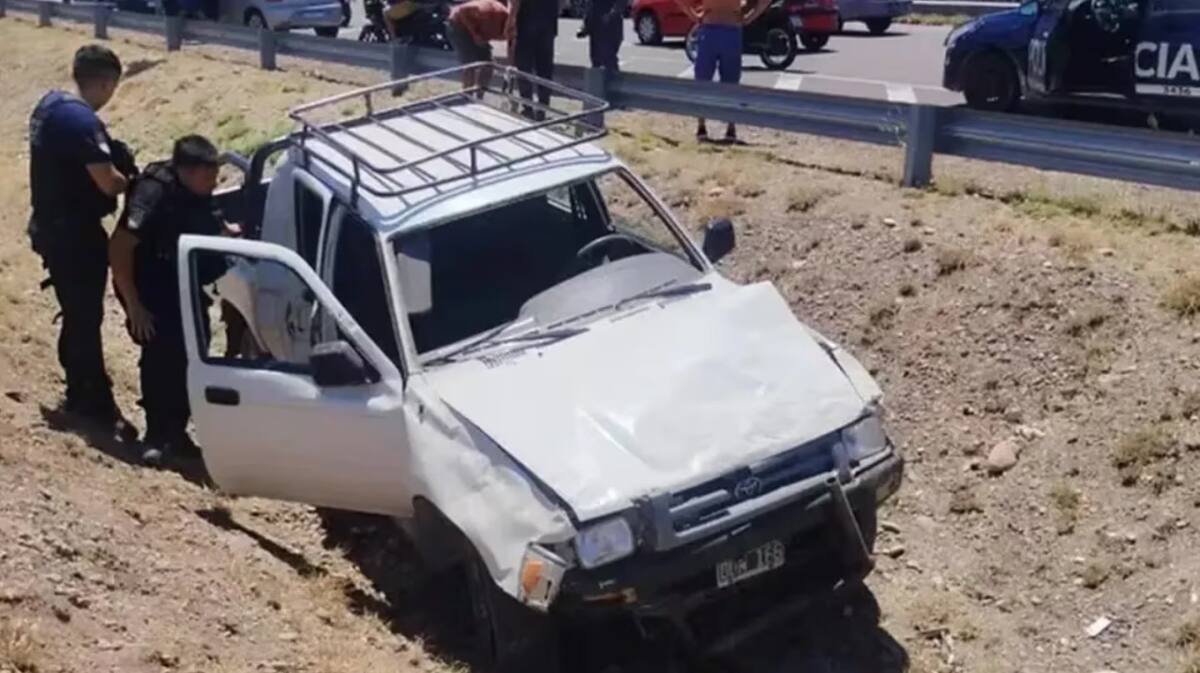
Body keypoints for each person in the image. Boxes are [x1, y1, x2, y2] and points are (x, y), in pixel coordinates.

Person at [27, 45, 138, 442]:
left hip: (52, 227)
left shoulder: (50, 105)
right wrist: (131, 181)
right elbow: (107, 181)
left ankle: (80, 392)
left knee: (76, 315)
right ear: (107, 82)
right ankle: (92, 404)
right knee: (85, 319)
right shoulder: (80, 121)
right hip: (74, 234)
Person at [109, 135, 226, 466]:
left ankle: (177, 432)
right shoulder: (154, 192)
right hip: (151, 286)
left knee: (193, 352)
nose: (212, 185)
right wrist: (134, 305)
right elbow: (120, 246)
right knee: (161, 354)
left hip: (182, 282)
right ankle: (157, 435)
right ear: (186, 171)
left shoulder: (196, 193)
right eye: (207, 178)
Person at [674, 0, 770, 142]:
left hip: (721, 29)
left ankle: (725, 127)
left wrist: (749, 18)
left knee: (722, 81)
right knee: (709, 79)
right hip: (720, 29)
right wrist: (694, 15)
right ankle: (707, 126)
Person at [506, 0, 559, 119]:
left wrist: (511, 19)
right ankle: (542, 108)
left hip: (526, 22)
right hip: (547, 23)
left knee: (524, 67)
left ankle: (528, 108)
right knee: (545, 68)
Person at [446, 0, 509, 91]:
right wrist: (475, 34)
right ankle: (467, 96)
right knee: (470, 64)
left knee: (488, 64)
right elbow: (461, 11)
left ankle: (479, 94)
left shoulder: (506, 25)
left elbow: (509, 44)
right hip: (458, 25)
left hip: (478, 30)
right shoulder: (491, 12)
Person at [585, 0, 627, 72]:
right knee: (596, 59)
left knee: (609, 59)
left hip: (611, 27)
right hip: (596, 24)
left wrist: (611, 15)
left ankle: (613, 80)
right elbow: (590, 4)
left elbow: (621, 3)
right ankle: (597, 80)